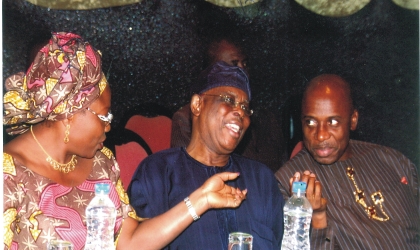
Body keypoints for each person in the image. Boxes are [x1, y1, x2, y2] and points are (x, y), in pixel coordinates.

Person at [2, 32, 247, 250]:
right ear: (70, 112)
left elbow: (129, 242)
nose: (109, 125)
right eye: (104, 115)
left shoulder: (101, 163)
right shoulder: (8, 175)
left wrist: (201, 199)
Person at [129, 61, 284, 249]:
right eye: (228, 100)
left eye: (245, 107)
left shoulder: (260, 179)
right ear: (197, 105)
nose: (240, 112)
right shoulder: (158, 172)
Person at [275, 74, 420, 249]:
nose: (320, 135)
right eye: (311, 122)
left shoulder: (394, 161)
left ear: (353, 120)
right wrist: (318, 219)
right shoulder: (287, 182)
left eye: (333, 122)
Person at [171, 37, 287, 172]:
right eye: (233, 64)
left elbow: (283, 167)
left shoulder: (265, 117)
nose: (243, 70)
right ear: (211, 70)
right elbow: (183, 172)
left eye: (245, 64)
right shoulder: (185, 118)